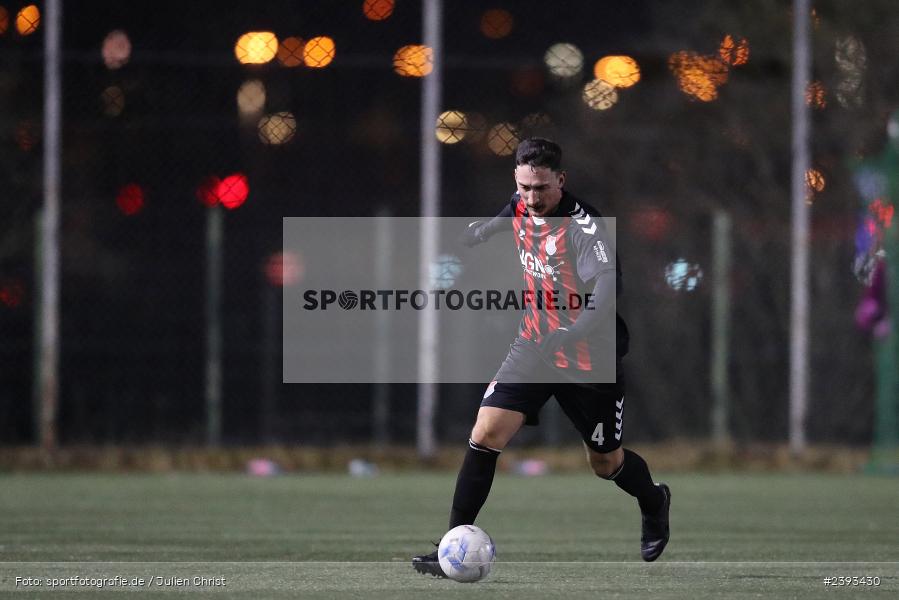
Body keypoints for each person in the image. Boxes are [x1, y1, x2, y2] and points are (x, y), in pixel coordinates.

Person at [412, 138, 670, 577]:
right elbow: (509, 210)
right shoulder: (521, 201)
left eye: (541, 189)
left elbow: (608, 290)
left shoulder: (585, 228)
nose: (531, 197)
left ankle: (653, 499)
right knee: (486, 432)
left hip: (590, 358)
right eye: (525, 186)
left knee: (606, 463)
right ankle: (451, 547)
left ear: (561, 181)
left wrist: (573, 332)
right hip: (533, 346)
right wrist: (484, 231)